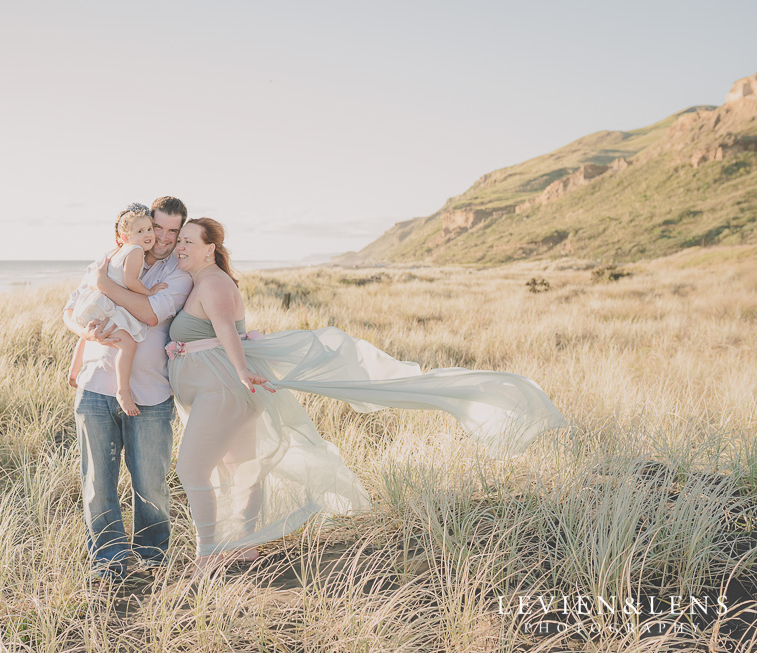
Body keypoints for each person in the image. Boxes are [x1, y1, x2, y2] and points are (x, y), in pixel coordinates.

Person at [166, 217, 568, 572]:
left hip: (224, 389)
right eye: (178, 240)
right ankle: (246, 546)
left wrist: (240, 370)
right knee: (243, 467)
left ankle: (207, 555)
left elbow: (225, 331)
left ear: (209, 249)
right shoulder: (200, 282)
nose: (180, 246)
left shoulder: (214, 283)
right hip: (220, 389)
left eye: (188, 240)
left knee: (192, 469)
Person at [62, 197, 192, 579]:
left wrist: (104, 286)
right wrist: (83, 330)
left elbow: (149, 314)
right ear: (146, 225)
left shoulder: (179, 272)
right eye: (158, 228)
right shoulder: (109, 257)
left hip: (151, 392)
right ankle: (108, 558)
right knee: (97, 480)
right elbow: (70, 310)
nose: (164, 238)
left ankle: (152, 556)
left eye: (173, 231)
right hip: (95, 387)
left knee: (150, 480)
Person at [68, 206, 169, 416]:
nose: (147, 235)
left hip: (96, 302)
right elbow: (131, 282)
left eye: (149, 229)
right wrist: (149, 292)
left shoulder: (115, 251)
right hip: (106, 303)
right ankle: (123, 390)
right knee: (128, 344)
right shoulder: (136, 251)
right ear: (125, 236)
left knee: (90, 330)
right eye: (140, 232)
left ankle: (74, 369)